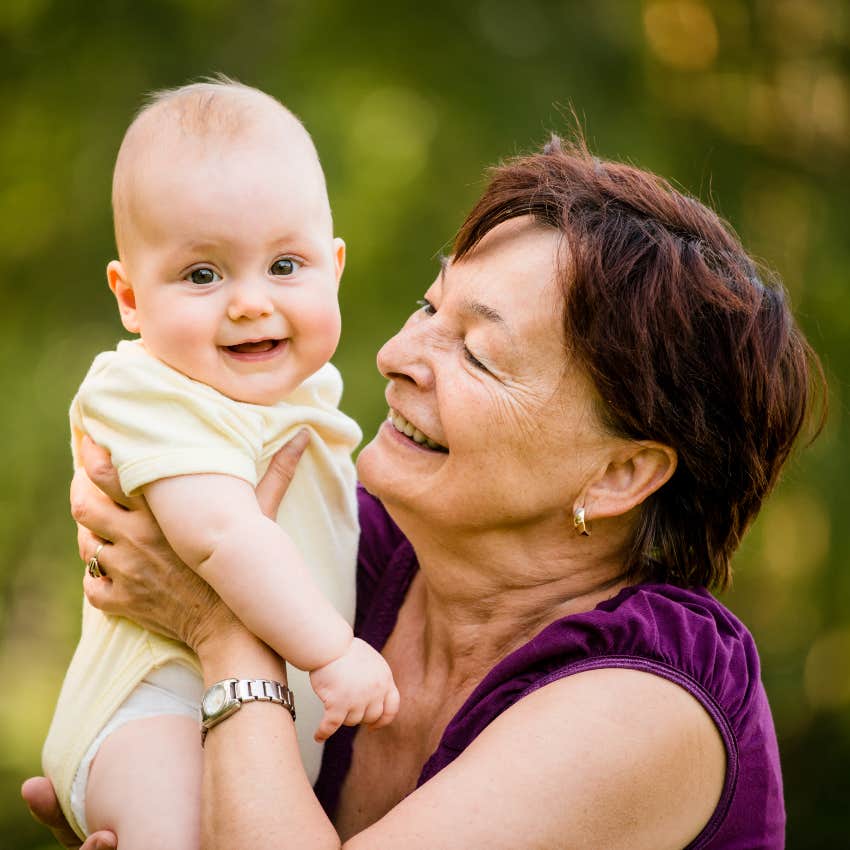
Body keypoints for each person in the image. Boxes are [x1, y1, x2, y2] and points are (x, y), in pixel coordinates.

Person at [25, 134, 823, 849]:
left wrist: (225, 630)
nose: (397, 354)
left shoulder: (649, 701)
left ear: (619, 474)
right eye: (428, 305)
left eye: (476, 353)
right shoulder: (355, 551)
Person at [40, 79, 398, 847]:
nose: (248, 302)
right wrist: (333, 653)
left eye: (285, 265)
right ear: (131, 297)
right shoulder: (148, 391)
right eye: (203, 274)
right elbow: (220, 536)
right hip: (150, 716)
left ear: (334, 266)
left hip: (245, 719)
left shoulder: (304, 395)